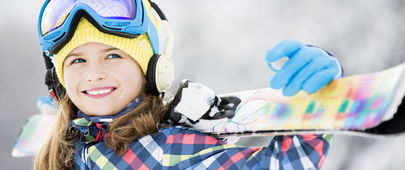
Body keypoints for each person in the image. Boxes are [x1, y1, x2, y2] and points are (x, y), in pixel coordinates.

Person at [34, 0, 342, 169]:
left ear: (153, 69)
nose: (93, 74)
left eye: (113, 55)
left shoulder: (166, 151)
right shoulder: (66, 146)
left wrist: (313, 107)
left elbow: (277, 166)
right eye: (77, 61)